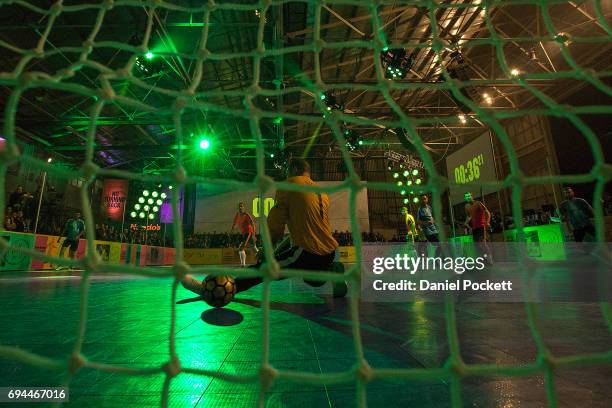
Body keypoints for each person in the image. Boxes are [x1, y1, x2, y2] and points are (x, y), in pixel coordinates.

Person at [182, 158, 345, 296]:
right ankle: (332, 270)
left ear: (293, 169)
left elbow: (276, 224)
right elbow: (308, 230)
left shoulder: (289, 185)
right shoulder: (322, 193)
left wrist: (266, 252)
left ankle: (216, 291)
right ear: (307, 172)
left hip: (309, 253)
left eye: (287, 171)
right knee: (311, 278)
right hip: (330, 252)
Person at [464, 192, 492, 263]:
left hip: (481, 226)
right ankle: (484, 257)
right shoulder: (467, 207)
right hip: (474, 228)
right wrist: (466, 222)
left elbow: (487, 212)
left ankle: (489, 259)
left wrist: (488, 222)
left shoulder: (478, 203)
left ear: (472, 196)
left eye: (468, 196)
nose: (467, 197)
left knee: (483, 243)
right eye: (466, 197)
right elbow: (469, 216)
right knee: (477, 245)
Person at [231, 201, 259, 267]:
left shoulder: (246, 215)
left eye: (241, 206)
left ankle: (243, 265)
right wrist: (232, 228)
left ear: (244, 208)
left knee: (241, 248)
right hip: (244, 234)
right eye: (239, 206)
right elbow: (234, 223)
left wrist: (253, 235)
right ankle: (264, 259)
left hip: (249, 233)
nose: (240, 207)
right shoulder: (237, 215)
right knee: (254, 248)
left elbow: (253, 225)